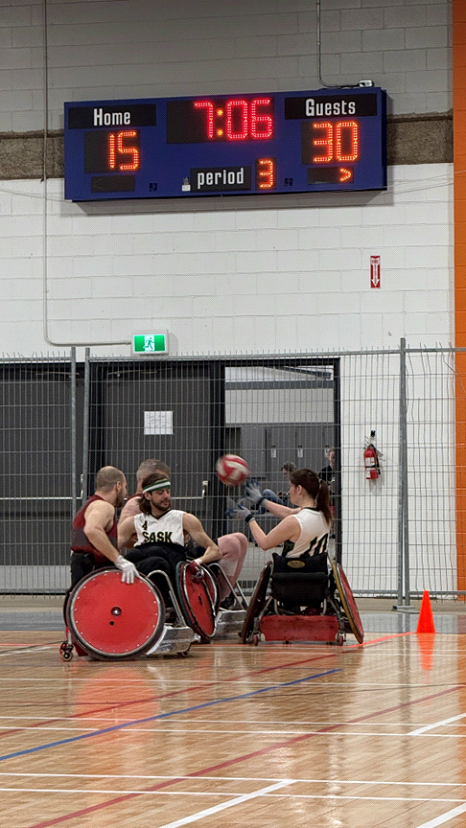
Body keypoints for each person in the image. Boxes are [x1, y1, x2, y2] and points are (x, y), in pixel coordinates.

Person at [119, 457, 247, 604]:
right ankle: (218, 600)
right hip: (159, 562)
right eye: (160, 491)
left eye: (167, 490)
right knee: (232, 543)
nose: (166, 495)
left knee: (241, 539)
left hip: (180, 558)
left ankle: (222, 598)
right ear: (146, 485)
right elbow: (120, 544)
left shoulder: (179, 516)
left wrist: (196, 559)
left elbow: (213, 549)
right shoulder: (134, 508)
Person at [230, 468, 332, 562]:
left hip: (294, 573)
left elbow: (264, 543)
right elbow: (289, 512)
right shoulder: (323, 513)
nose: (289, 491)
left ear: (299, 489)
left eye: (290, 487)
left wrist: (249, 518)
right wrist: (261, 501)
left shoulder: (294, 521)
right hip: (319, 573)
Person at [70, 466, 137, 589]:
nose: (126, 493)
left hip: (82, 569)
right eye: (125, 487)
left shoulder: (86, 507)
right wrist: (119, 560)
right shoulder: (104, 506)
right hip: (95, 571)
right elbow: (92, 530)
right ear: (118, 486)